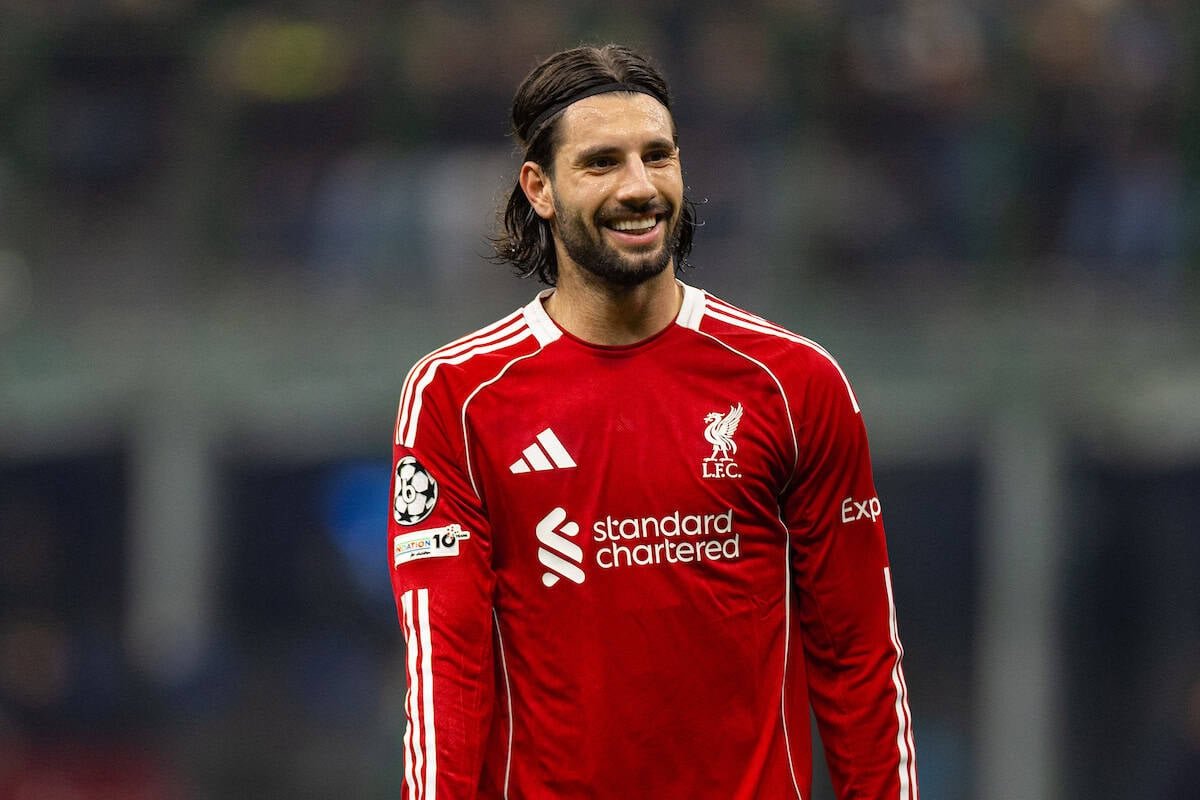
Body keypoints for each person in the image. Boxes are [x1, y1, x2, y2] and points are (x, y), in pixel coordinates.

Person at [387, 43, 918, 799]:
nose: (639, 187)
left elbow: (859, 656)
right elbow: (447, 670)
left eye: (657, 156)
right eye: (601, 163)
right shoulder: (457, 396)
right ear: (539, 188)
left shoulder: (794, 383)